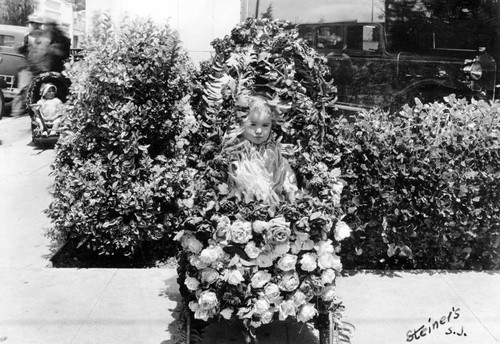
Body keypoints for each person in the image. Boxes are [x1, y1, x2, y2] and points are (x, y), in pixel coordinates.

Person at [224, 95, 298, 204]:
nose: (259, 131)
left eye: (265, 125)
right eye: (253, 124)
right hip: (243, 206)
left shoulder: (274, 152)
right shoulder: (234, 152)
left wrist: (289, 191)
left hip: (273, 206)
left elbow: (287, 178)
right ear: (241, 124)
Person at [11, 14, 43, 116]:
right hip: (27, 67)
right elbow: (23, 49)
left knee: (37, 90)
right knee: (23, 89)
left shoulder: (42, 37)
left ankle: (32, 112)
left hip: (38, 68)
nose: (35, 27)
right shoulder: (27, 37)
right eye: (33, 24)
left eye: (37, 25)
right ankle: (16, 113)